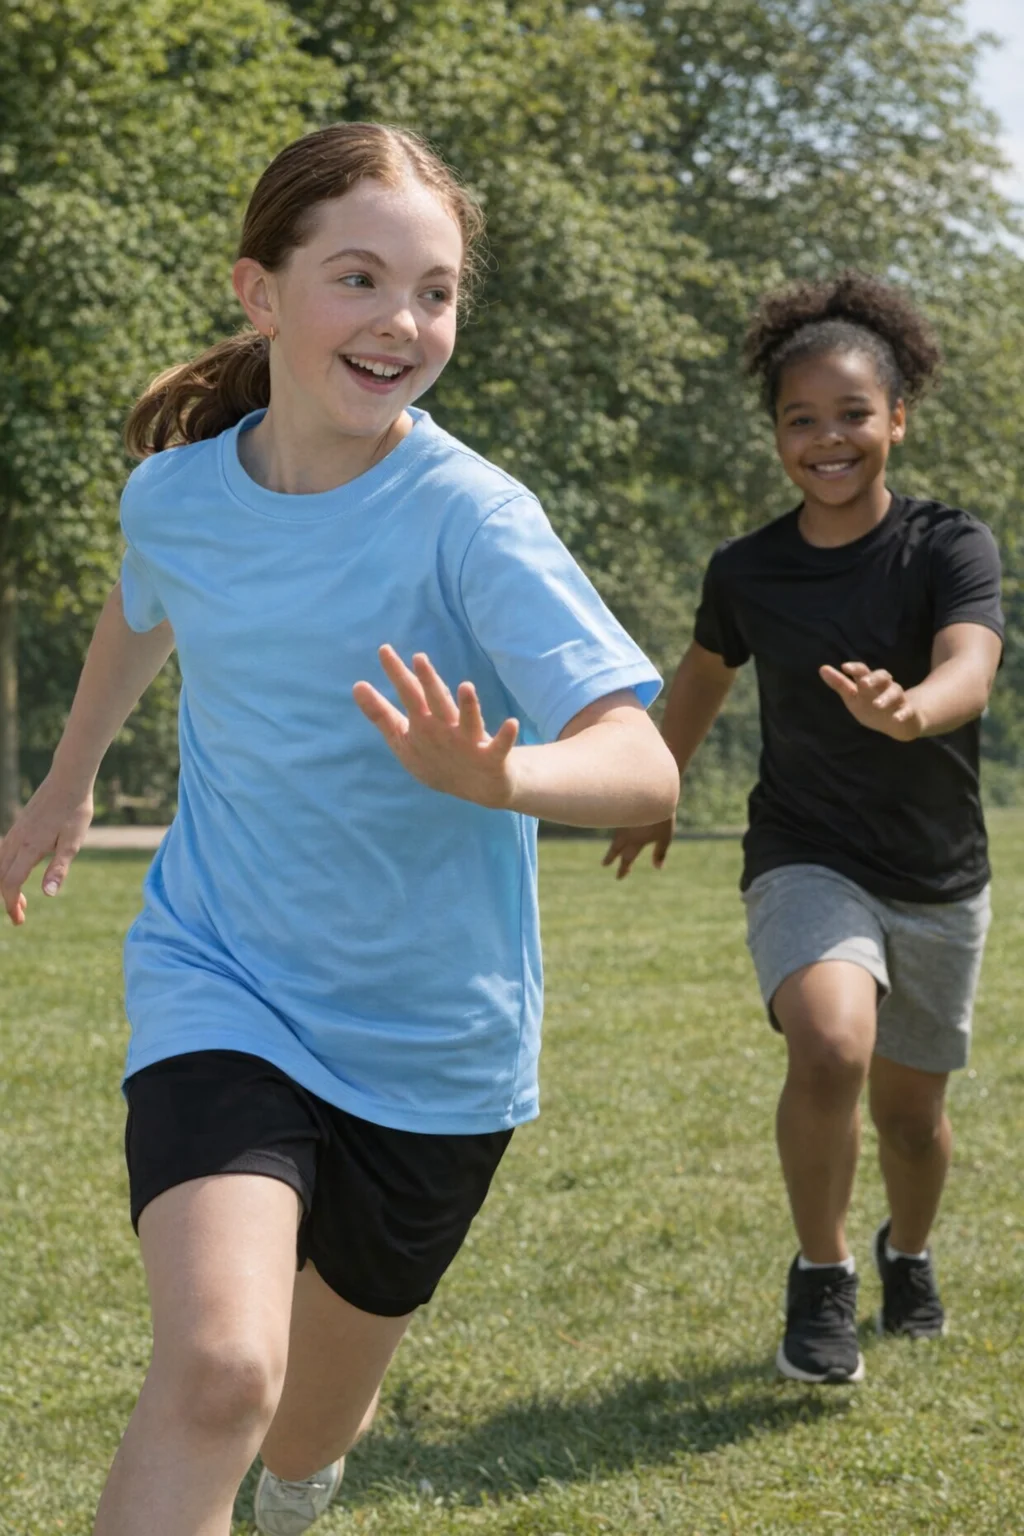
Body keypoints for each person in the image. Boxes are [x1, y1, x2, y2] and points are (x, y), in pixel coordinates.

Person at [0, 122, 678, 1535]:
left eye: (434, 292)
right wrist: (67, 783)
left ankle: (301, 1494)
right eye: (358, 279)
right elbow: (143, 611)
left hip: (436, 1049)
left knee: (305, 1429)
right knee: (220, 1372)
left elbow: (644, 765)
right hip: (223, 978)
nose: (402, 323)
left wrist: (507, 781)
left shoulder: (474, 521)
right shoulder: (174, 494)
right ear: (262, 293)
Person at [604, 271, 1003, 1386]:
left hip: (936, 873)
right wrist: (654, 781)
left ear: (897, 420)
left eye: (851, 415)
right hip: (803, 853)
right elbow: (698, 676)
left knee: (913, 1119)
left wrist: (909, 710)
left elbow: (971, 664)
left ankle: (905, 1252)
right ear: (775, 435)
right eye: (800, 420)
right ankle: (822, 1276)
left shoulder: (947, 547)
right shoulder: (747, 570)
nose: (826, 439)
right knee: (829, 1046)